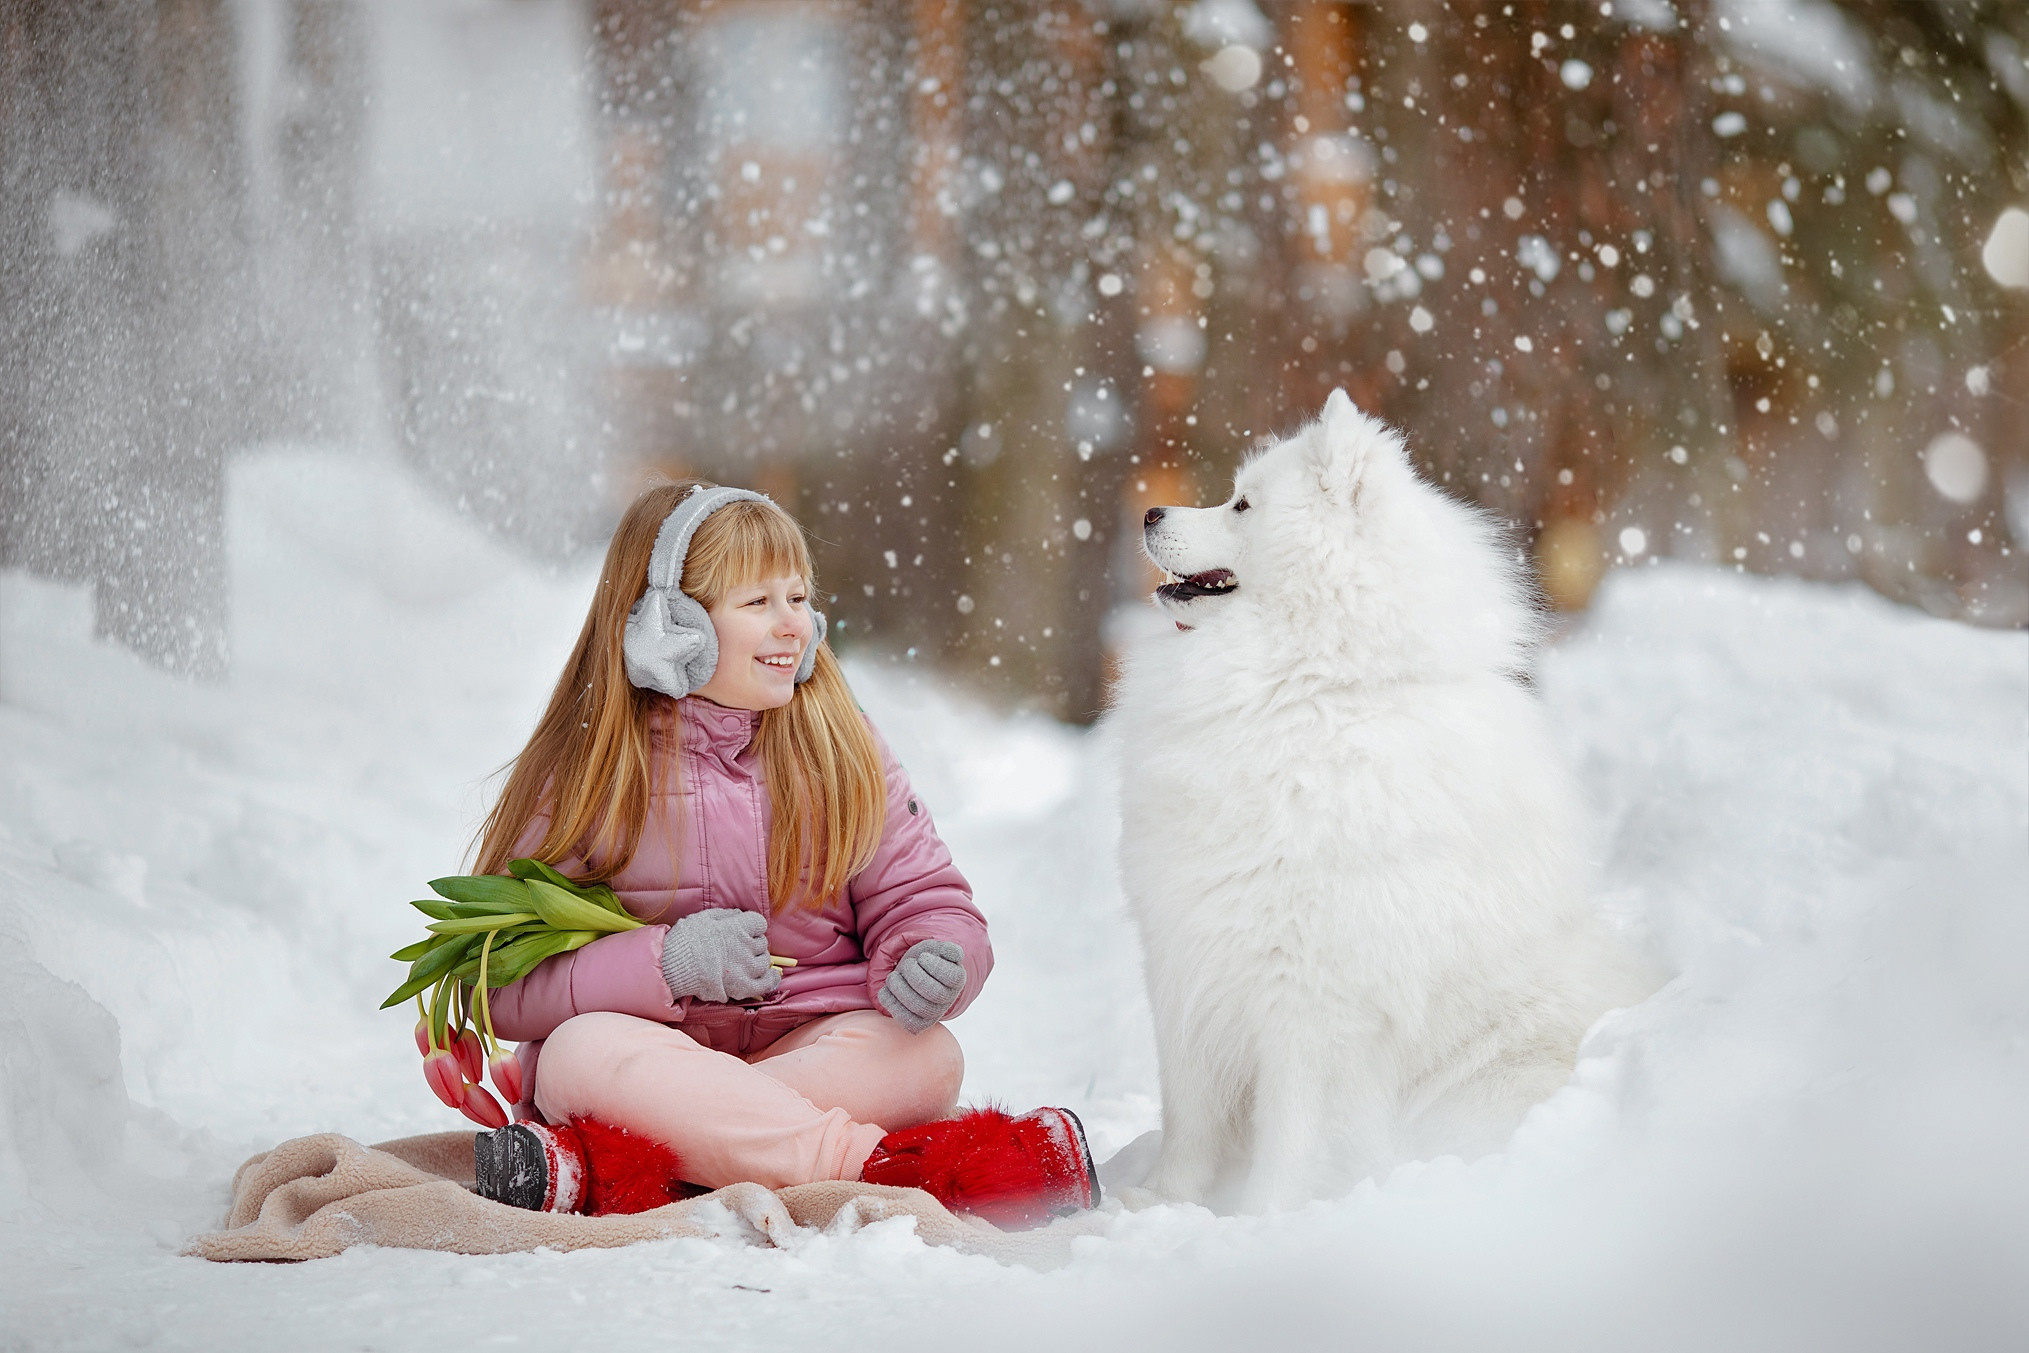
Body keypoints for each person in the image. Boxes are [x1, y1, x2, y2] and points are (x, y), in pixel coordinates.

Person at [463, 481, 1098, 1229]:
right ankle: (893, 1167)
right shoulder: (589, 770)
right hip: (644, 1053)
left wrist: (932, 951)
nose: (792, 625)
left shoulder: (839, 743)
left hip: (809, 1042)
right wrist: (664, 963)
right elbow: (500, 979)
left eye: (797, 597)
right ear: (668, 626)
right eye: (757, 603)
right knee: (578, 1052)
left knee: (927, 1055)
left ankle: (633, 1161)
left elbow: (923, 893)